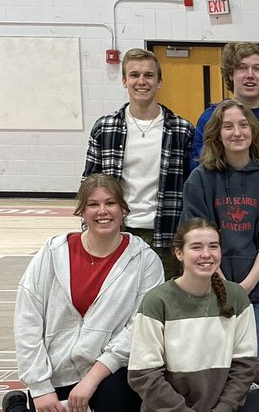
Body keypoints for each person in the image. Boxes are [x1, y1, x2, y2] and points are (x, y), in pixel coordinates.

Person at [0, 175, 164, 412]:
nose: (103, 211)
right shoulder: (53, 253)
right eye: (93, 204)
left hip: (109, 371)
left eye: (110, 203)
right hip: (59, 373)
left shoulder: (145, 260)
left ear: (123, 209)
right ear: (81, 211)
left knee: (121, 399)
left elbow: (139, 328)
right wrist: (40, 388)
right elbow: (27, 321)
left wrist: (91, 380)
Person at [128, 219, 259, 412]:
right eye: (196, 247)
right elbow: (142, 375)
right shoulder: (157, 301)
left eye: (213, 246)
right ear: (179, 253)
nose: (206, 255)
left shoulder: (236, 298)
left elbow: (244, 368)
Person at [183, 99, 259, 412]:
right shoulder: (201, 179)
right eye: (228, 126)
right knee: (217, 364)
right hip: (211, 287)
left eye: (243, 125)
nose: (237, 132)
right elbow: (197, 236)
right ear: (217, 134)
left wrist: (245, 285)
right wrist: (221, 283)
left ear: (253, 131)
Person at [83, 48, 194, 279]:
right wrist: (88, 230)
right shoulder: (105, 128)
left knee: (163, 299)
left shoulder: (181, 130)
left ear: (159, 81)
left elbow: (192, 187)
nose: (141, 81)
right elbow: (89, 185)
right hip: (118, 232)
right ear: (124, 81)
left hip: (167, 235)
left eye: (149, 75)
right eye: (134, 75)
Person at [190, 41, 259, 201]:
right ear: (230, 75)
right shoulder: (209, 119)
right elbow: (199, 171)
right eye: (242, 68)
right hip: (219, 210)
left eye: (257, 68)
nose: (250, 74)